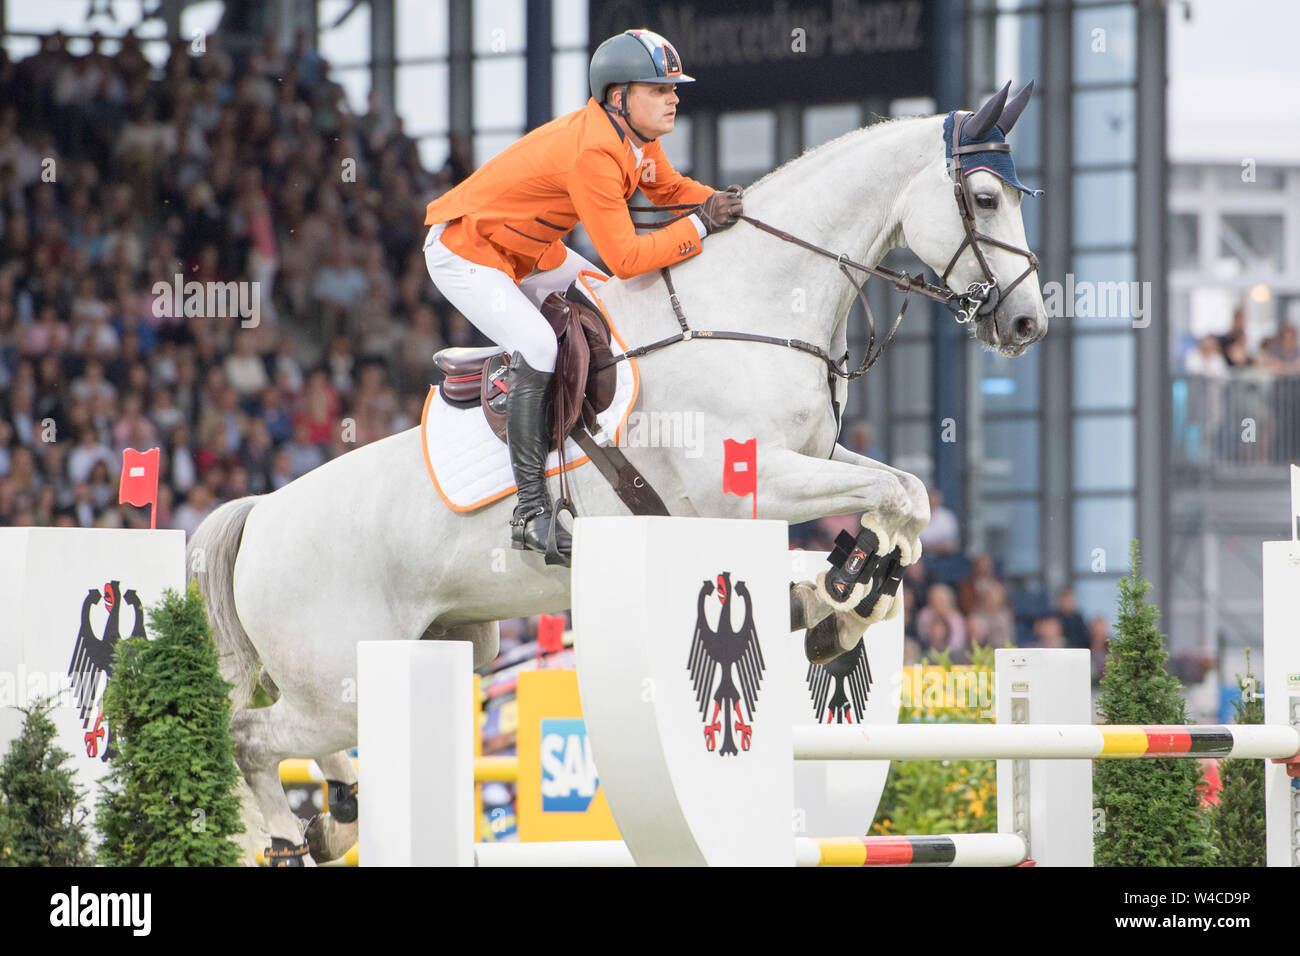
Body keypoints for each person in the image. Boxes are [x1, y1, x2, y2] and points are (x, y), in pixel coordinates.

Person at [422, 29, 744, 562]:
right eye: (659, 88)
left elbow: (666, 189)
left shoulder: (635, 138)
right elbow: (627, 257)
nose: (674, 97)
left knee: (608, 298)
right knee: (541, 346)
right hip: (467, 251)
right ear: (619, 98)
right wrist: (703, 227)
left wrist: (720, 201)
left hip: (526, 251)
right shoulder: (595, 150)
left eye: (673, 88)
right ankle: (529, 510)